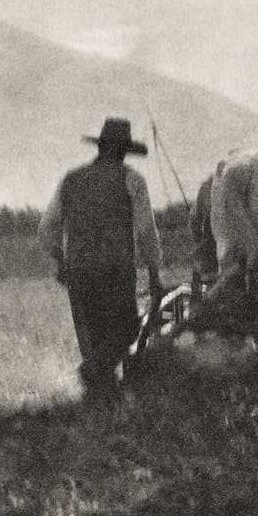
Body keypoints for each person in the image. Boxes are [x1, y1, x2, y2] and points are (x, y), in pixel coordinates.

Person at [38, 117, 163, 403]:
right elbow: (146, 232)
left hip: (79, 275)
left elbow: (46, 231)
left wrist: (62, 263)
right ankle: (98, 387)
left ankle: (98, 399)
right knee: (126, 334)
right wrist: (155, 277)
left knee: (93, 341)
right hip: (116, 273)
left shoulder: (71, 179)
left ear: (101, 146)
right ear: (122, 150)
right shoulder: (132, 179)